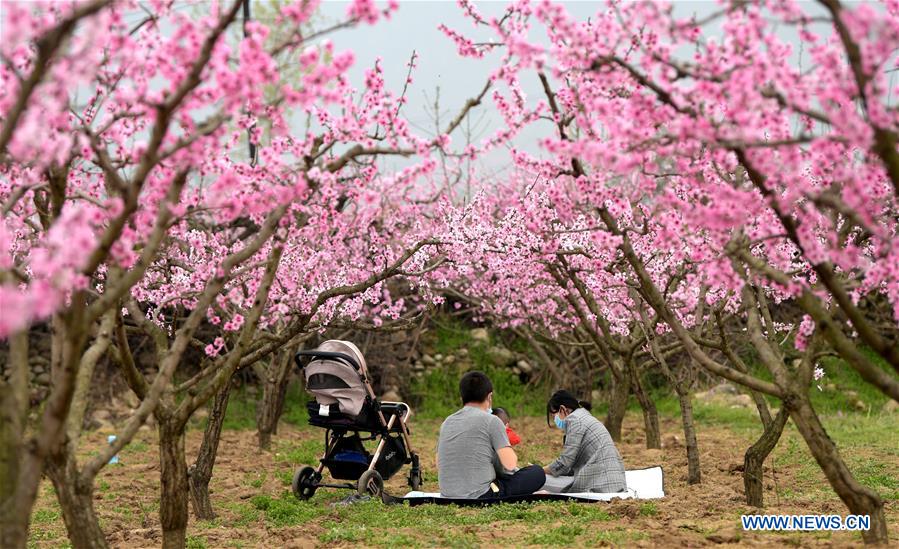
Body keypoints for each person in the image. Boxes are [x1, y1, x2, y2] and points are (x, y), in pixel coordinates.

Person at [437, 371, 545, 499]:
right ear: (489, 397)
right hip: (481, 494)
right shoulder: (492, 421)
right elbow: (509, 465)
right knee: (537, 473)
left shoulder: (447, 422)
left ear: (461, 398)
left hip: (447, 493)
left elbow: (439, 463)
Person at [542, 390, 626, 493]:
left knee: (539, 480)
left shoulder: (575, 420)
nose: (554, 419)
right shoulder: (583, 416)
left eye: (553, 415)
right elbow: (569, 465)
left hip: (598, 484)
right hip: (613, 482)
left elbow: (564, 463)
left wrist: (540, 471)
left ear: (562, 409)